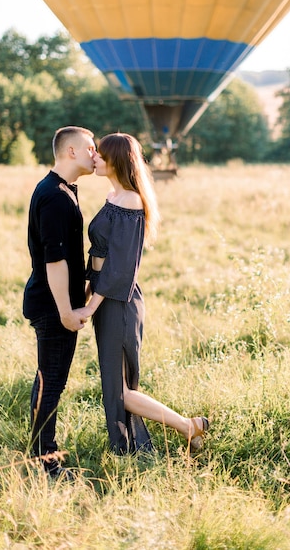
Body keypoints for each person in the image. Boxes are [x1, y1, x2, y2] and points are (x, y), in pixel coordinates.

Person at [76, 132, 209, 455]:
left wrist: (91, 306)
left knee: (118, 390)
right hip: (105, 297)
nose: (94, 158)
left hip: (118, 302)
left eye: (100, 155)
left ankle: (188, 426)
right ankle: (165, 434)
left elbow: (121, 268)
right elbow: (99, 255)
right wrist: (86, 290)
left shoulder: (131, 202)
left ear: (116, 160)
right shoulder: (113, 196)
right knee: (115, 386)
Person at [23, 125, 96, 480]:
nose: (95, 155)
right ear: (71, 152)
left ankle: (38, 451)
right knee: (52, 380)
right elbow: (54, 260)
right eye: (91, 148)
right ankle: (45, 462)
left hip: (55, 302)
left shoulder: (62, 190)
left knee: (48, 378)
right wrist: (66, 311)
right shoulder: (54, 195)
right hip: (53, 306)